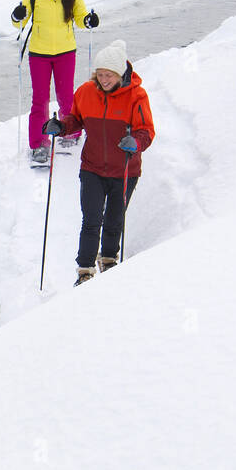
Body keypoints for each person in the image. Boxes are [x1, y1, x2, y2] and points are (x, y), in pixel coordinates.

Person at [47, 39, 155, 286]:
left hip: (125, 169)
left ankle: (108, 260)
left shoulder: (137, 96)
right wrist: (61, 127)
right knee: (91, 219)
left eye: (110, 75)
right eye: (101, 75)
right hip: (92, 167)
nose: (104, 80)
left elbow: (146, 131)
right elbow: (76, 119)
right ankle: (84, 270)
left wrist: (135, 143)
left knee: (114, 218)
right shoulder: (86, 92)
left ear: (120, 74)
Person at [11, 0, 99, 166]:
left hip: (65, 52)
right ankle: (39, 144)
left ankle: (69, 133)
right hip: (39, 54)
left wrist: (88, 20)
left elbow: (80, 17)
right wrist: (17, 16)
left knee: (66, 97)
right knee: (40, 100)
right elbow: (20, 23)